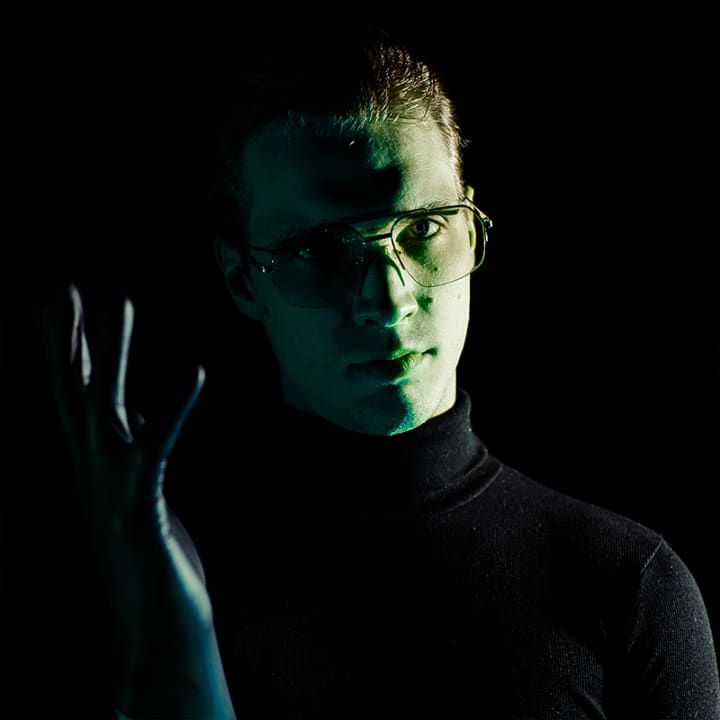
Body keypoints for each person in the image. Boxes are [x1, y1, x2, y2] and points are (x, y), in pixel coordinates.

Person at [36, 20, 720, 720]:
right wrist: (173, 660)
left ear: (470, 227)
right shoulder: (148, 578)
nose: (387, 300)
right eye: (319, 249)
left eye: (422, 229)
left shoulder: (626, 588)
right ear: (241, 280)